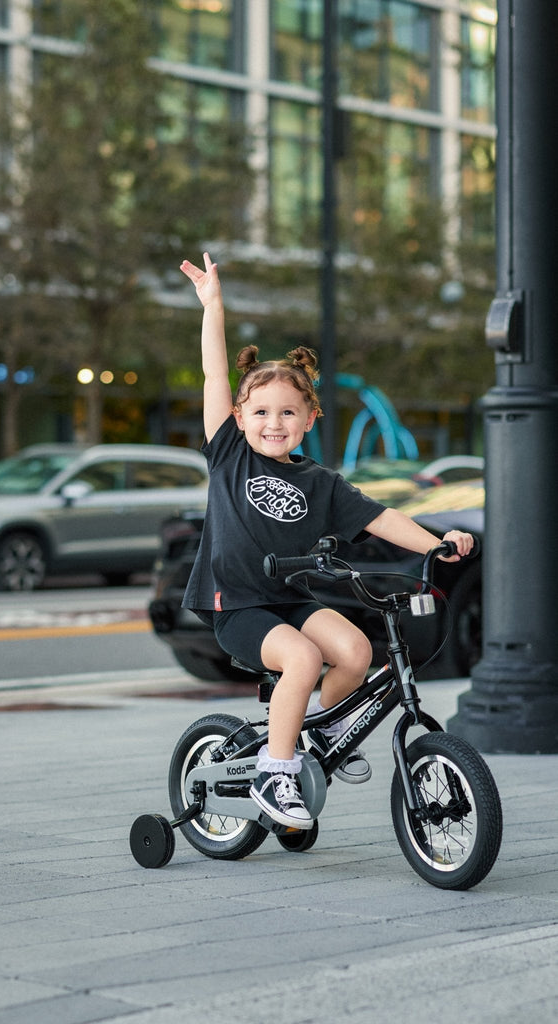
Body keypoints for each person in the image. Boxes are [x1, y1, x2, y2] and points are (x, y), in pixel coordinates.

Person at [179, 253, 474, 830]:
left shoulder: (321, 483)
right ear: (238, 417)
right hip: (236, 603)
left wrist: (436, 544)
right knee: (304, 657)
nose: (273, 422)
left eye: (288, 412)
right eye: (260, 411)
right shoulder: (229, 456)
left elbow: (383, 517)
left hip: (289, 599)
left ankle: (324, 731)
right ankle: (276, 767)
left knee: (359, 653)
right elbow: (216, 373)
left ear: (309, 418)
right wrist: (213, 306)